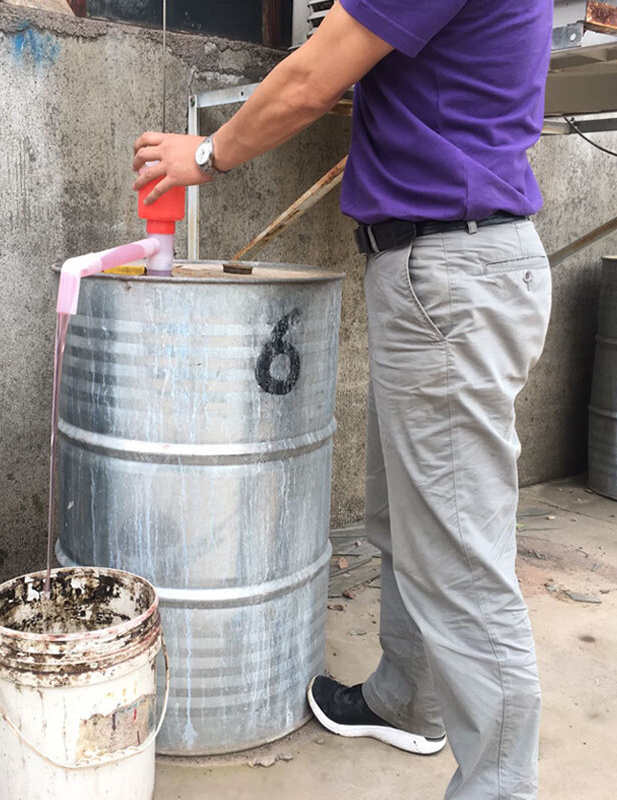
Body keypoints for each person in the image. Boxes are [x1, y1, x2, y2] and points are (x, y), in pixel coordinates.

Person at [132, 2, 553, 798]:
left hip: (450, 271)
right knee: (410, 522)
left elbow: (309, 79)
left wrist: (208, 154)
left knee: (461, 562)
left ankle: (501, 787)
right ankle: (408, 701)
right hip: (454, 267)